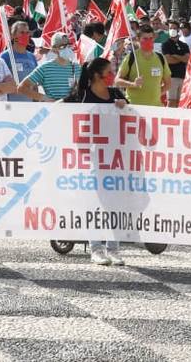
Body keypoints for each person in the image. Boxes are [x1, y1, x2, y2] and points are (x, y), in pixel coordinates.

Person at [66, 55, 127, 265]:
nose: (112, 76)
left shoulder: (116, 94)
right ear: (96, 75)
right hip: (89, 159)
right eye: (108, 72)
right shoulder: (81, 96)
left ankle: (114, 249)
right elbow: (59, 111)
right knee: (95, 203)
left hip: (115, 159)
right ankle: (96, 249)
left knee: (115, 204)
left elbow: (134, 117)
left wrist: (125, 105)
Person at [115, 23, 169, 107]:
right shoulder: (131, 57)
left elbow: (168, 84)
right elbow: (117, 81)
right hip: (134, 109)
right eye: (145, 39)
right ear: (138, 39)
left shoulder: (161, 58)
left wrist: (157, 94)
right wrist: (133, 84)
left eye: (151, 38)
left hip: (156, 108)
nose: (148, 41)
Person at [19, 33, 79, 102]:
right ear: (54, 49)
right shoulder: (45, 68)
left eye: (68, 45)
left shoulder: (77, 67)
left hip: (73, 110)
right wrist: (45, 98)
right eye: (63, 46)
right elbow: (22, 87)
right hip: (53, 110)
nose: (67, 49)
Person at [0, 21, 37, 102]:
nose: (25, 35)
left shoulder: (32, 57)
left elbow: (34, 84)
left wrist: (36, 102)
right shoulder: (5, 57)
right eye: (22, 32)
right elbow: (0, 82)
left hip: (29, 106)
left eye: (27, 33)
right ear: (13, 36)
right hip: (11, 106)